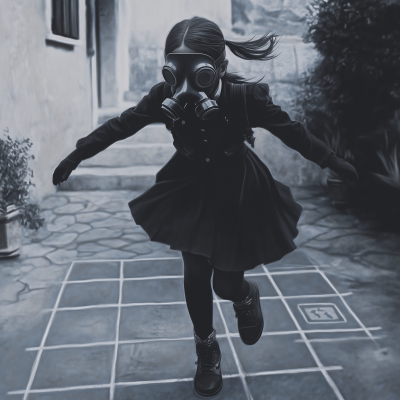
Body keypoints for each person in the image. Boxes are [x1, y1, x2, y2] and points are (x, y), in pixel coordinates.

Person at [52, 16, 358, 397]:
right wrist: (76, 155)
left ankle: (244, 295)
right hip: (191, 182)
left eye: (197, 75)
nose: (180, 88)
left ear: (220, 68)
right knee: (195, 272)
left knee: (224, 280)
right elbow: (121, 125)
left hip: (237, 185)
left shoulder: (246, 98)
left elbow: (291, 131)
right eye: (172, 74)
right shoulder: (161, 96)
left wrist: (333, 161)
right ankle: (206, 349)